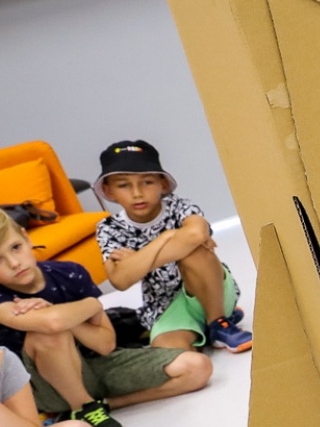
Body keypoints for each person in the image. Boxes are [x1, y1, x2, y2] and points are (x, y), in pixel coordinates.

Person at [0, 206, 212, 427]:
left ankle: (102, 404)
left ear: (26, 237)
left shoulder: (70, 273)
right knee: (47, 334)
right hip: (45, 385)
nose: (14, 263)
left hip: (95, 364)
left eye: (15, 248)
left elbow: (105, 344)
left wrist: (72, 312)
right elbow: (53, 323)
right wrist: (89, 307)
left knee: (197, 368)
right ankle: (83, 408)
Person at [94, 140, 253, 353]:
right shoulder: (109, 227)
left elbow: (196, 233)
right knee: (173, 355)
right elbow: (120, 280)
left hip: (211, 288)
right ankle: (203, 325)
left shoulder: (180, 207)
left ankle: (217, 321)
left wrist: (137, 261)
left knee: (194, 252)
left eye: (147, 182)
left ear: (163, 185)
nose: (137, 193)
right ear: (109, 190)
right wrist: (166, 237)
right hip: (164, 306)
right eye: (123, 185)